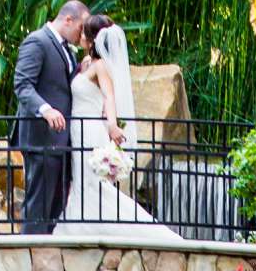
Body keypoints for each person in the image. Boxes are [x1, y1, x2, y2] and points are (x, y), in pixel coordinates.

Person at [64, 12, 175, 232]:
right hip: (76, 127)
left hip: (89, 128)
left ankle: (106, 226)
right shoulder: (86, 63)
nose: (80, 35)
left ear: (92, 38)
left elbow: (109, 96)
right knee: (80, 180)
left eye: (84, 32)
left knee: (92, 182)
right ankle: (82, 221)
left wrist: (113, 125)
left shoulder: (101, 66)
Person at [12, 0, 88, 235]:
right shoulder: (37, 41)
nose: (82, 34)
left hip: (61, 141)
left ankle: (47, 257)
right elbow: (23, 85)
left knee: (56, 205)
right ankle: (30, 258)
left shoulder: (68, 51)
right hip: (41, 138)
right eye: (80, 27)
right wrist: (45, 109)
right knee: (38, 205)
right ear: (68, 19)